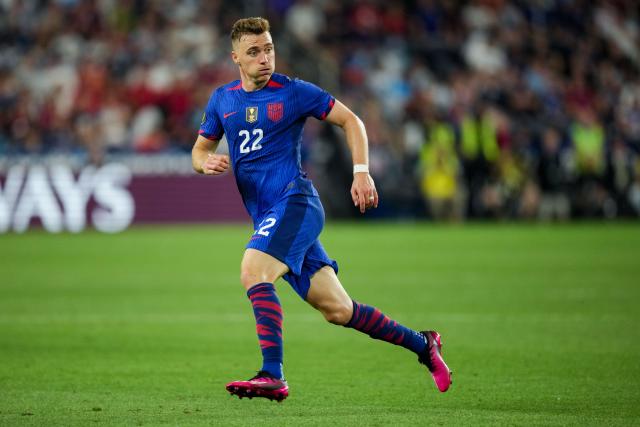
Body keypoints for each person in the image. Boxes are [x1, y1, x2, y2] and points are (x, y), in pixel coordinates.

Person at [191, 17, 451, 402]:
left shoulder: (293, 92)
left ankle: (272, 374)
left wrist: (361, 173)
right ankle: (423, 345)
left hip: (295, 202)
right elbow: (199, 149)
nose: (264, 58)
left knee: (253, 270)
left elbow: (352, 121)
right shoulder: (222, 100)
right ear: (236, 59)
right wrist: (204, 163)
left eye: (269, 49)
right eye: (253, 52)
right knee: (339, 310)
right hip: (270, 217)